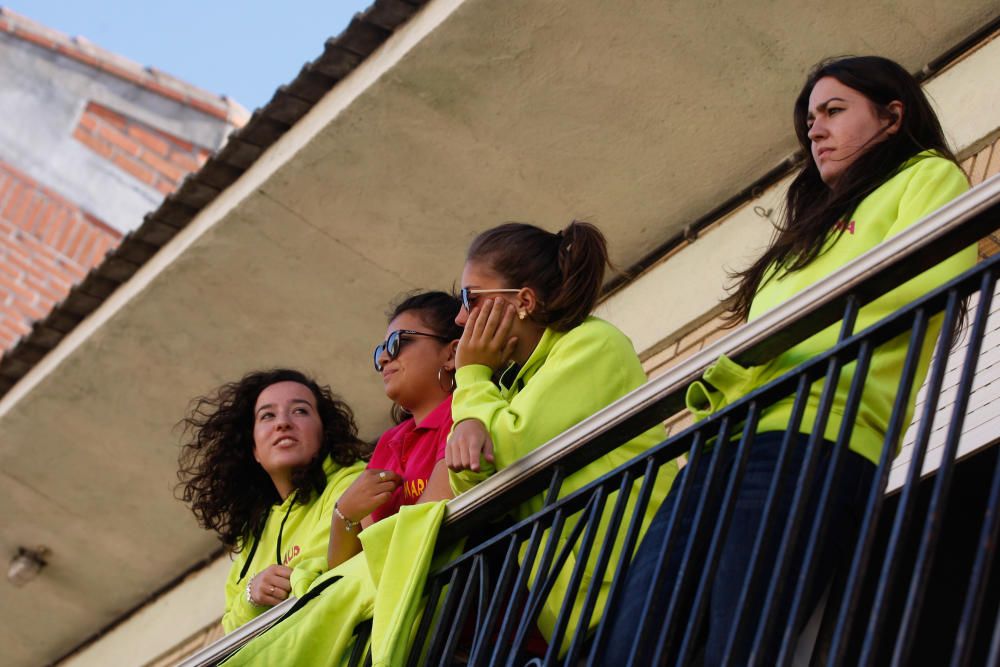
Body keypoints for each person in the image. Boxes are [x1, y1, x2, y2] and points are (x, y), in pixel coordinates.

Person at [603, 55, 978, 664]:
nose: (815, 131)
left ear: (891, 116)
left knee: (740, 638)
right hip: (723, 442)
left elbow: (931, 281)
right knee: (633, 641)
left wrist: (774, 343)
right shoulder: (804, 230)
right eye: (810, 121)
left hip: (816, 438)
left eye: (834, 111)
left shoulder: (924, 175)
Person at [446, 220, 679, 653]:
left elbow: (506, 448)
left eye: (469, 298)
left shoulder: (591, 343)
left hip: (635, 583)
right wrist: (474, 409)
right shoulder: (511, 387)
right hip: (576, 621)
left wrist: (472, 375)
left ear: (524, 302)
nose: (460, 318)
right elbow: (467, 475)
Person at [176, 369, 368, 633]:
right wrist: (251, 598)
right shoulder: (252, 538)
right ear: (253, 450)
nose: (283, 423)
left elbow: (324, 576)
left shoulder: (353, 481)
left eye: (300, 411)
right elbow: (228, 630)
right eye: (267, 415)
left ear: (324, 432)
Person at [326, 291, 461, 569]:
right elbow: (342, 574)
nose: (385, 358)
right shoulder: (389, 442)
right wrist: (342, 516)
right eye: (381, 350)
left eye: (398, 343)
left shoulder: (465, 410)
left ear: (451, 353)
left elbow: (423, 526)